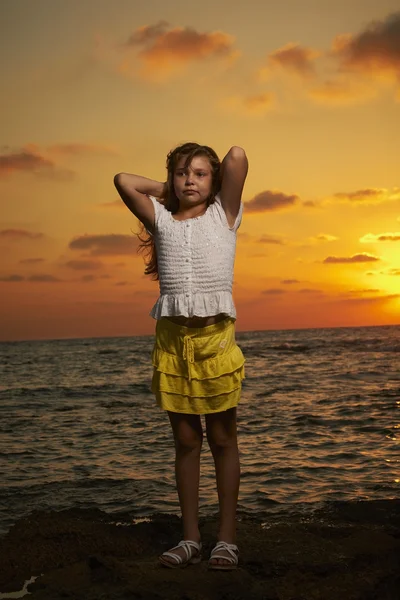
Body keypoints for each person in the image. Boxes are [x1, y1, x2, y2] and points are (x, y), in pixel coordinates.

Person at [114, 142, 248, 570]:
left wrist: (216, 183)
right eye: (181, 173)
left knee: (223, 440)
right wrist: (166, 191)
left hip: (215, 342)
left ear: (215, 182)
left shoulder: (224, 214)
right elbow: (123, 181)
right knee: (187, 442)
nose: (190, 179)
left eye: (200, 174)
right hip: (173, 343)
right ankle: (190, 538)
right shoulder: (162, 222)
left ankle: (226, 539)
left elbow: (238, 155)